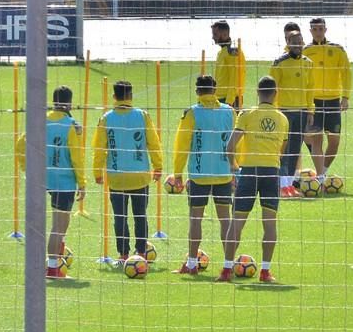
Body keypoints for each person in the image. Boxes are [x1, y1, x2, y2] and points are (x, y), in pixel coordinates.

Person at [216, 76, 289, 283]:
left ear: (257, 92)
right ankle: (265, 272)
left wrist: (233, 167)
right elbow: (282, 151)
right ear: (275, 94)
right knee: (270, 223)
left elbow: (230, 146)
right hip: (271, 173)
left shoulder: (247, 114)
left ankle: (226, 271)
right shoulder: (283, 119)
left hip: (249, 172)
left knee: (237, 222)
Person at [16, 86, 86, 279]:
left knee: (61, 222)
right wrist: (82, 182)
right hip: (64, 182)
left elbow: (20, 146)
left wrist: (27, 169)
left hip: (43, 180)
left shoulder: (40, 120)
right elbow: (76, 157)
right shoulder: (71, 125)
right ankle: (53, 268)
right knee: (58, 225)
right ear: (69, 103)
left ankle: (58, 254)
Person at [92, 80, 163, 263]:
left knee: (120, 217)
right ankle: (140, 253)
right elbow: (153, 142)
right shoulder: (142, 115)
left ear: (114, 97)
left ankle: (123, 254)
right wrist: (158, 165)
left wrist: (97, 172)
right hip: (140, 176)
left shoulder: (106, 118)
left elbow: (99, 148)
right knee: (140, 216)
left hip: (116, 177)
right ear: (131, 96)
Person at [172, 75, 236, 275]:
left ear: (197, 91)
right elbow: (237, 142)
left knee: (195, 219)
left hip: (199, 175)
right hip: (224, 174)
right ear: (215, 89)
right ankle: (229, 266)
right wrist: (236, 168)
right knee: (226, 220)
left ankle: (191, 264)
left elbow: (182, 145)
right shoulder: (230, 112)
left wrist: (177, 173)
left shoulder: (192, 113)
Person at [269, 30, 321, 198]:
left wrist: (310, 110)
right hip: (284, 111)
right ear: (288, 42)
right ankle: (280, 185)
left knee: (295, 148)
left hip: (302, 112)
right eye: (294, 41)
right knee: (283, 149)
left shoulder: (308, 63)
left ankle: (289, 185)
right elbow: (272, 89)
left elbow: (310, 89)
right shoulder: (279, 63)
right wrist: (273, 110)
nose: (298, 45)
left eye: (300, 41)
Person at [302, 17, 352, 178]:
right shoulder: (305, 51)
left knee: (334, 142)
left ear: (325, 29)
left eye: (320, 29)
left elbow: (346, 74)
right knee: (316, 140)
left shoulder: (337, 49)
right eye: (314, 29)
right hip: (313, 102)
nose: (318, 32)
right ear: (310, 31)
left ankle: (323, 171)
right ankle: (321, 177)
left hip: (333, 101)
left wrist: (345, 96)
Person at [212, 20, 246, 108]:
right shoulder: (222, 52)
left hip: (229, 99)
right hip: (220, 98)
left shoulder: (232, 52)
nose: (213, 37)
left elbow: (235, 77)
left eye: (215, 34)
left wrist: (229, 101)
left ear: (224, 34)